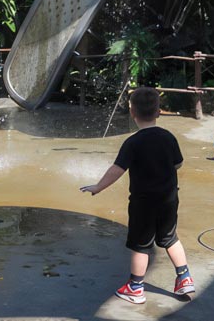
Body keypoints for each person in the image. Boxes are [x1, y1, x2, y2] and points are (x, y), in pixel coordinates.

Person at [81, 86, 196, 304]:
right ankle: (185, 278)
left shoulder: (132, 142)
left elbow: (117, 169)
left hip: (143, 202)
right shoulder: (168, 137)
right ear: (158, 111)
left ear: (132, 112)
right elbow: (178, 163)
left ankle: (135, 287)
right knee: (170, 237)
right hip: (169, 199)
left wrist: (98, 187)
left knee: (141, 245)